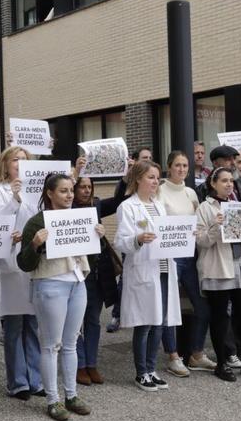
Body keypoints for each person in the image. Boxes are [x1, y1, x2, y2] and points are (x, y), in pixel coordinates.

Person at [17, 174, 105, 421]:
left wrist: (98, 239)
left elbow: (94, 257)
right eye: (63, 191)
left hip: (77, 283)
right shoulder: (37, 222)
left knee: (70, 343)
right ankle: (53, 400)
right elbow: (23, 263)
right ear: (50, 193)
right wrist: (34, 245)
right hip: (51, 284)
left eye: (70, 191)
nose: (69, 195)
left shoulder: (79, 217)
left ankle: (71, 395)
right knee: (51, 344)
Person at [115, 161, 184, 390]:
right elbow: (121, 241)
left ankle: (152, 369)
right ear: (138, 180)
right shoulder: (127, 207)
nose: (156, 182)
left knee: (160, 322)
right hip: (143, 270)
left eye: (157, 178)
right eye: (151, 177)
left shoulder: (159, 205)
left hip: (163, 269)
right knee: (144, 324)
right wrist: (137, 239)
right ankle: (141, 372)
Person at [195, 166, 241, 382]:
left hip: (240, 266)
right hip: (218, 268)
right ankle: (222, 362)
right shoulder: (204, 208)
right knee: (220, 318)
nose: (228, 184)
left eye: (231, 181)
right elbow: (201, 241)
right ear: (213, 183)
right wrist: (217, 226)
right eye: (224, 181)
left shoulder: (238, 205)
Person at [0, 147, 43, 400]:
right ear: (5, 164)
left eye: (24, 160)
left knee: (32, 324)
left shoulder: (36, 193)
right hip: (9, 265)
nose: (20, 164)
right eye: (15, 160)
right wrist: (15, 199)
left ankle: (36, 379)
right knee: (14, 325)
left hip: (31, 262)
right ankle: (18, 382)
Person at [157, 151, 217, 374]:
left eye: (185, 166)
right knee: (169, 307)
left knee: (202, 305)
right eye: (177, 165)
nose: (182, 169)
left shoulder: (191, 192)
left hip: (191, 255)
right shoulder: (159, 191)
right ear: (169, 167)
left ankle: (196, 354)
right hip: (170, 256)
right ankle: (173, 355)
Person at [72, 174, 121, 385]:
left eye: (88, 187)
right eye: (81, 186)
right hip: (78, 273)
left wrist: (126, 177)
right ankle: (79, 365)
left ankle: (91, 363)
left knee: (93, 320)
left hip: (98, 273)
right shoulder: (66, 209)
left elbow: (119, 200)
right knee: (75, 323)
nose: (86, 190)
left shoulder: (97, 206)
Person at [106, 147, 154, 333]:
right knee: (125, 280)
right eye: (143, 158)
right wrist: (126, 177)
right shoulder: (127, 186)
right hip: (134, 245)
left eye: (149, 158)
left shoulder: (154, 190)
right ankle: (118, 315)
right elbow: (118, 201)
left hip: (153, 254)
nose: (147, 161)